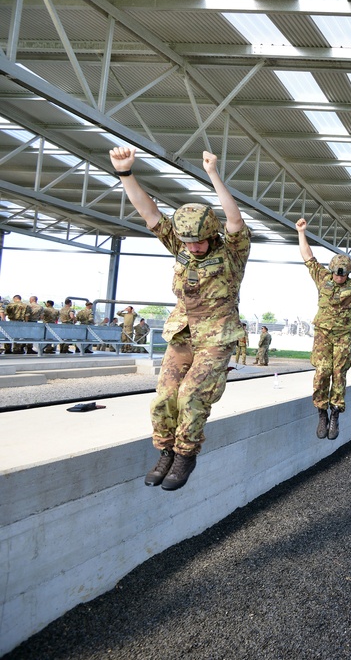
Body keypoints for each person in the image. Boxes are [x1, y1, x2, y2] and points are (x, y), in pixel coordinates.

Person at [110, 145, 249, 491]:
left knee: (190, 396)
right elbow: (149, 213)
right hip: (183, 334)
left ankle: (186, 454)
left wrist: (213, 174)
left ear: (211, 235)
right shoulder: (181, 246)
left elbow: (235, 220)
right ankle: (166, 451)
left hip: (216, 337)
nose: (194, 247)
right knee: (163, 398)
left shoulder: (232, 251)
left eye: (200, 241)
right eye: (188, 242)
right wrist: (126, 174)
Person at [298, 219, 351, 440]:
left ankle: (335, 413)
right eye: (336, 273)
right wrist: (301, 232)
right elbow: (308, 256)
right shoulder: (322, 278)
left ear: (347, 273)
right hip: (323, 334)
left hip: (343, 335)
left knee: (339, 373)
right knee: (322, 372)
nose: (339, 277)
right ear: (331, 270)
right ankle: (321, 413)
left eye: (343, 274)